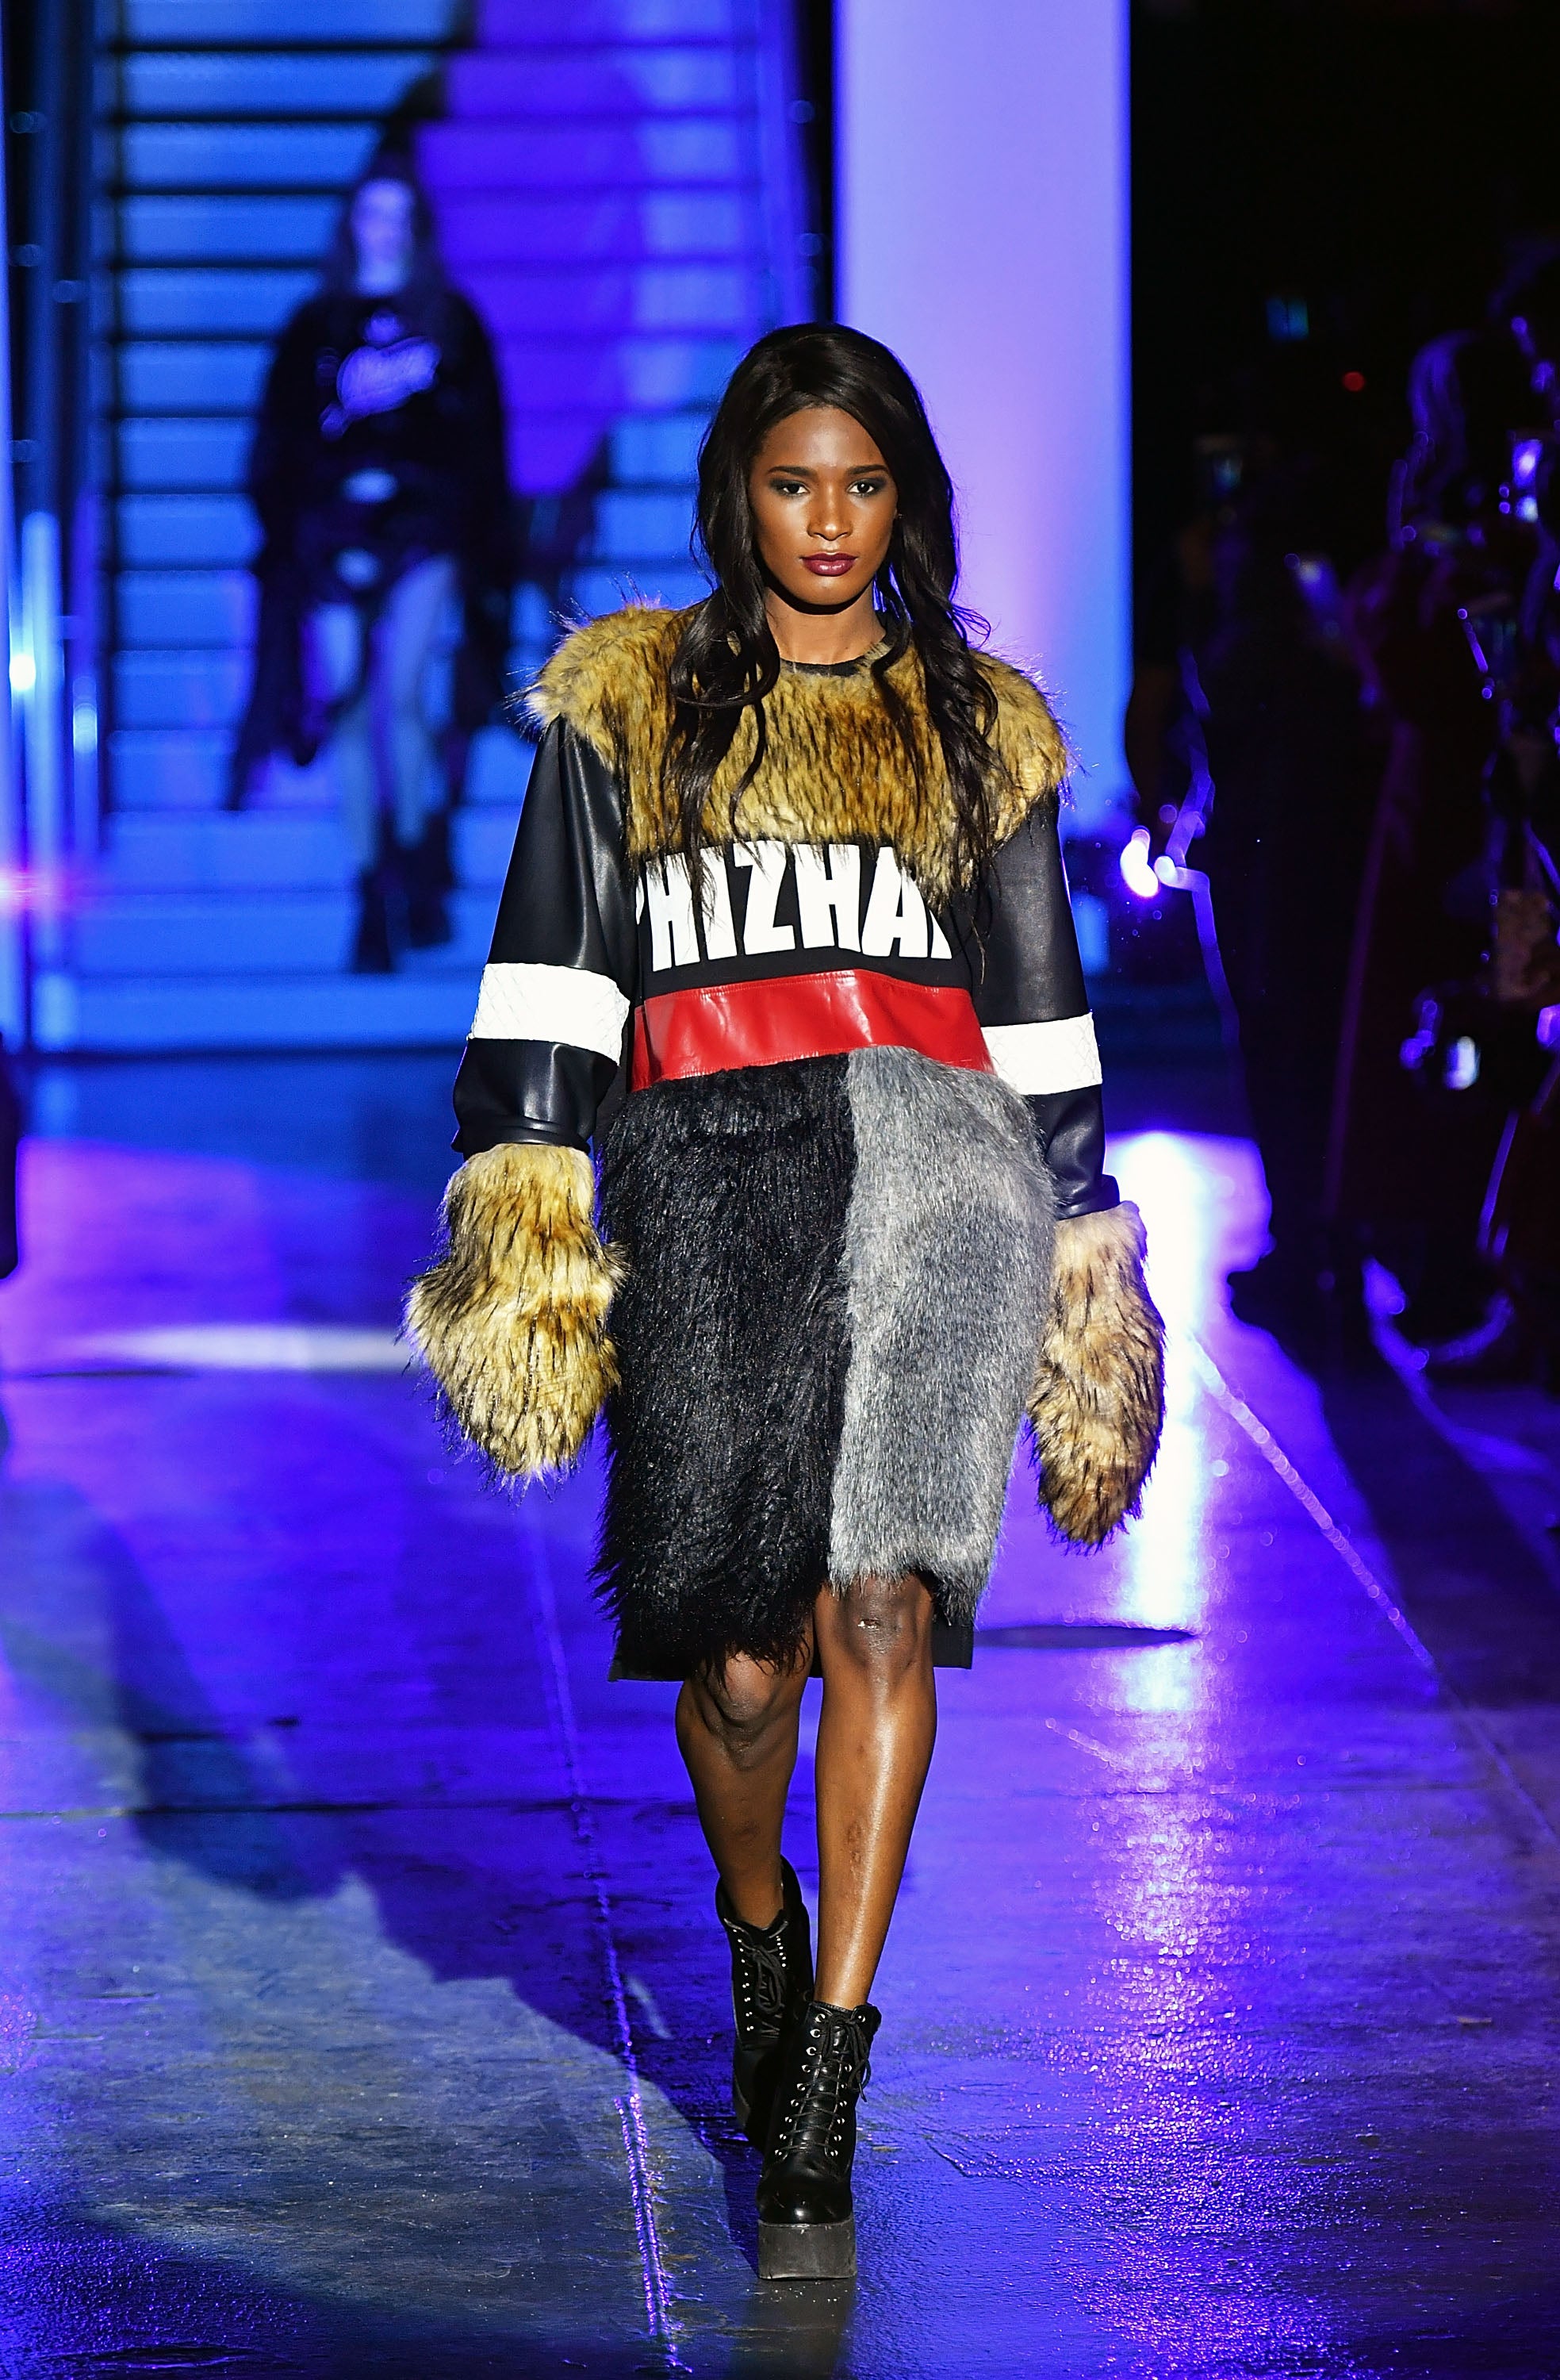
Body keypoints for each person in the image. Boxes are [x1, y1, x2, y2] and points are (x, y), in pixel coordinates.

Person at [406, 326, 1163, 2280]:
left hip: (939, 1175)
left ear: (905, 501)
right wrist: (526, 1187)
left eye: (865, 484)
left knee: (881, 1603)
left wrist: (1080, 1228)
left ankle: (827, 2059)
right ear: (738, 492)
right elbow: (554, 975)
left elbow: (1035, 1005)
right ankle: (759, 1933)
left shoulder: (978, 722)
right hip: (706, 1184)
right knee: (741, 1664)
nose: (830, 522)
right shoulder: (629, 702)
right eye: (793, 482)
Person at [230, 155, 514, 970]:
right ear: (350, 226)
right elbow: (279, 439)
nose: (382, 231)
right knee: (350, 707)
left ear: (416, 228)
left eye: (396, 216)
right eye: (370, 214)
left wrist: (473, 534)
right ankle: (370, 887)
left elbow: (481, 441)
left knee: (405, 699)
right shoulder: (315, 327)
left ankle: (414, 859)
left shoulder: (451, 322)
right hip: (335, 532)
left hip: (422, 530)